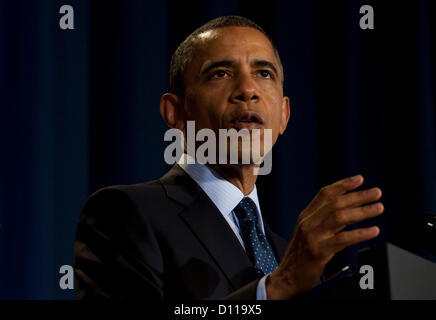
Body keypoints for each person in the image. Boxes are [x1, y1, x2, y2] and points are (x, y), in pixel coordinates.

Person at [73, 16, 383, 300]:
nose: (247, 89)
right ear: (175, 112)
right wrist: (275, 288)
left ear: (284, 115)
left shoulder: (290, 254)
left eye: (264, 73)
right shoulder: (124, 214)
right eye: (220, 73)